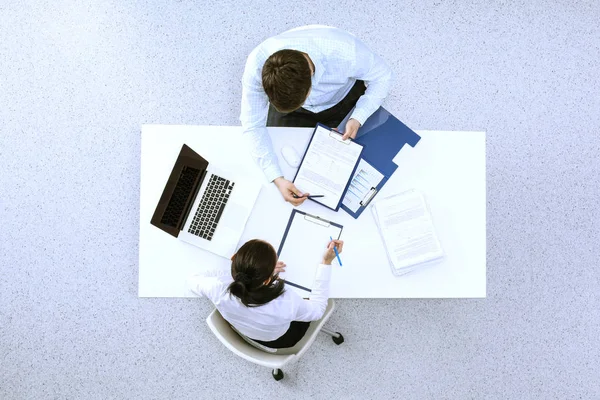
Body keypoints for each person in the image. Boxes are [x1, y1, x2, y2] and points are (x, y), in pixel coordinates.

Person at [240, 25, 393, 206]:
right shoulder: (257, 64)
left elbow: (383, 77)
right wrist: (276, 178)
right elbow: (252, 125)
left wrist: (358, 117)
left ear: (311, 79)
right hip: (291, 108)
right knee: (283, 156)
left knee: (365, 154)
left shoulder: (347, 52)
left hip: (342, 98)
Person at [187, 238, 344, 349]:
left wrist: (256, 273)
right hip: (280, 339)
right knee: (306, 303)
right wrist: (326, 263)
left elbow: (192, 280)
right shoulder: (286, 302)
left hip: (246, 330)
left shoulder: (217, 289)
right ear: (268, 279)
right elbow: (317, 311)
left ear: (233, 258)